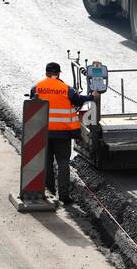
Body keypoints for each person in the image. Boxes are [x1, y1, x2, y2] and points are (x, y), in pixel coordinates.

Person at [29, 62, 95, 205]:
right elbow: (78, 100)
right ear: (58, 73)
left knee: (46, 162)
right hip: (63, 134)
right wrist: (92, 97)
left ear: (46, 73)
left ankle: (49, 192)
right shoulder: (66, 89)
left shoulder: (36, 89)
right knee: (63, 163)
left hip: (43, 133)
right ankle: (63, 196)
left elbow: (32, 104)